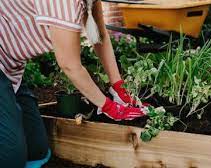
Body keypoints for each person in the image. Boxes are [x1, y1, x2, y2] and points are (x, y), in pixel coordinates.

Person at [0, 0, 147, 167]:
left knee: (37, 151)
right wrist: (109, 107)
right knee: (10, 158)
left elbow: (99, 36)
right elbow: (69, 65)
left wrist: (119, 86)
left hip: (10, 69)